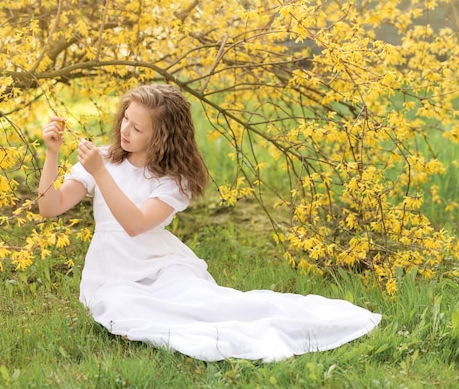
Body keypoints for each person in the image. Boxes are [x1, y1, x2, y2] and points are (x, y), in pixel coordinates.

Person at [38, 84, 381, 362]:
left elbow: (136, 225)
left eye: (137, 127)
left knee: (213, 305)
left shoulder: (173, 181)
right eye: (126, 119)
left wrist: (100, 173)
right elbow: (50, 207)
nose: (125, 129)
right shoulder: (104, 161)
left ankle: (295, 326)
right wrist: (52, 153)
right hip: (112, 271)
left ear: (162, 137)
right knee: (124, 307)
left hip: (162, 266)